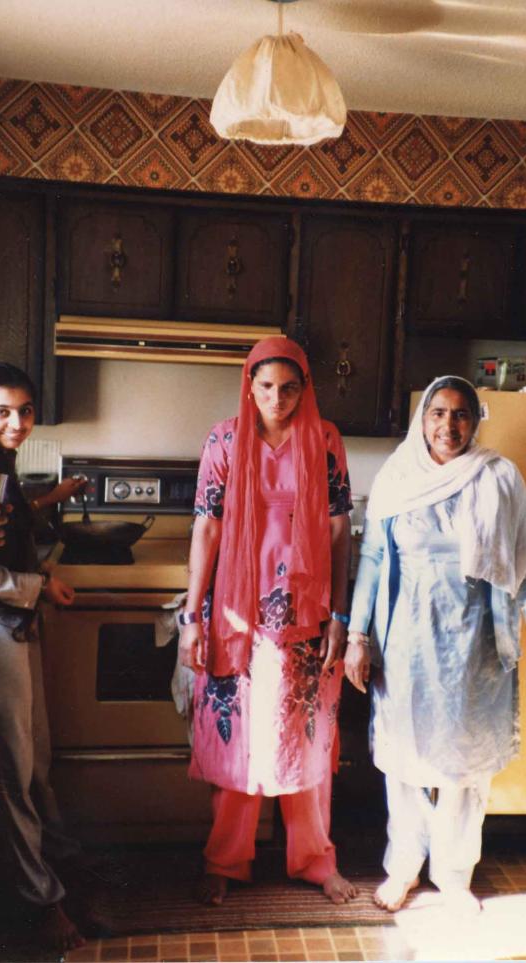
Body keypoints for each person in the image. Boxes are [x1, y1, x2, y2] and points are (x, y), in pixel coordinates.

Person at [345, 376, 526, 913]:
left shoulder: (499, 476)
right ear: (423, 419)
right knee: (403, 762)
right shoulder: (397, 475)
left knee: (465, 770)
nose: (448, 426)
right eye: (438, 413)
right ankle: (404, 870)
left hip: (475, 645)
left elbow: (522, 566)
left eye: (460, 415)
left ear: (475, 421)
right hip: (405, 641)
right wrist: (356, 637)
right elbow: (370, 561)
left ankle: (455, 875)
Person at [179, 336, 357, 906]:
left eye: (289, 388)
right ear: (248, 387)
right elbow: (206, 528)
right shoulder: (225, 440)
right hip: (237, 618)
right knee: (240, 743)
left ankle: (315, 861)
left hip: (306, 618)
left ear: (305, 389)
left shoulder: (325, 441)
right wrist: (191, 617)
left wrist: (340, 616)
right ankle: (225, 861)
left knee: (305, 744)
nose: (276, 399)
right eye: (265, 388)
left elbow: (336, 532)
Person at [0, 362, 87, 954]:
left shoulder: (0, 464)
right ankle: (38, 899)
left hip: (16, 620)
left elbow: (9, 534)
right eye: (3, 411)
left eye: (25, 410)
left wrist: (44, 576)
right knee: (12, 770)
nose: (17, 422)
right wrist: (38, 587)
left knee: (37, 755)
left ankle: (57, 867)